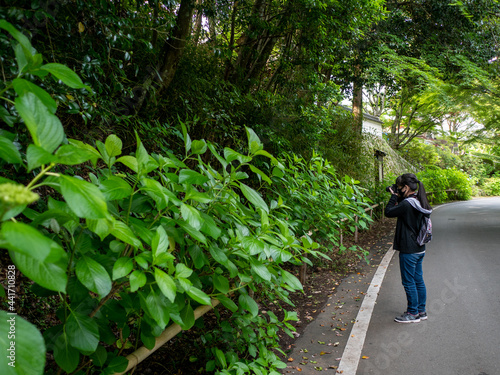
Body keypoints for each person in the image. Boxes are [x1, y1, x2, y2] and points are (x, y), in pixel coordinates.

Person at [385, 173, 432, 323]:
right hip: (420, 247)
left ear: (405, 187)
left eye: (399, 188)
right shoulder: (419, 200)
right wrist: (399, 195)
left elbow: (388, 212)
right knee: (418, 279)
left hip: (409, 249)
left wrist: (393, 196)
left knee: (408, 281)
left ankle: (412, 313)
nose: (398, 191)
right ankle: (421, 311)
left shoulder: (406, 204)